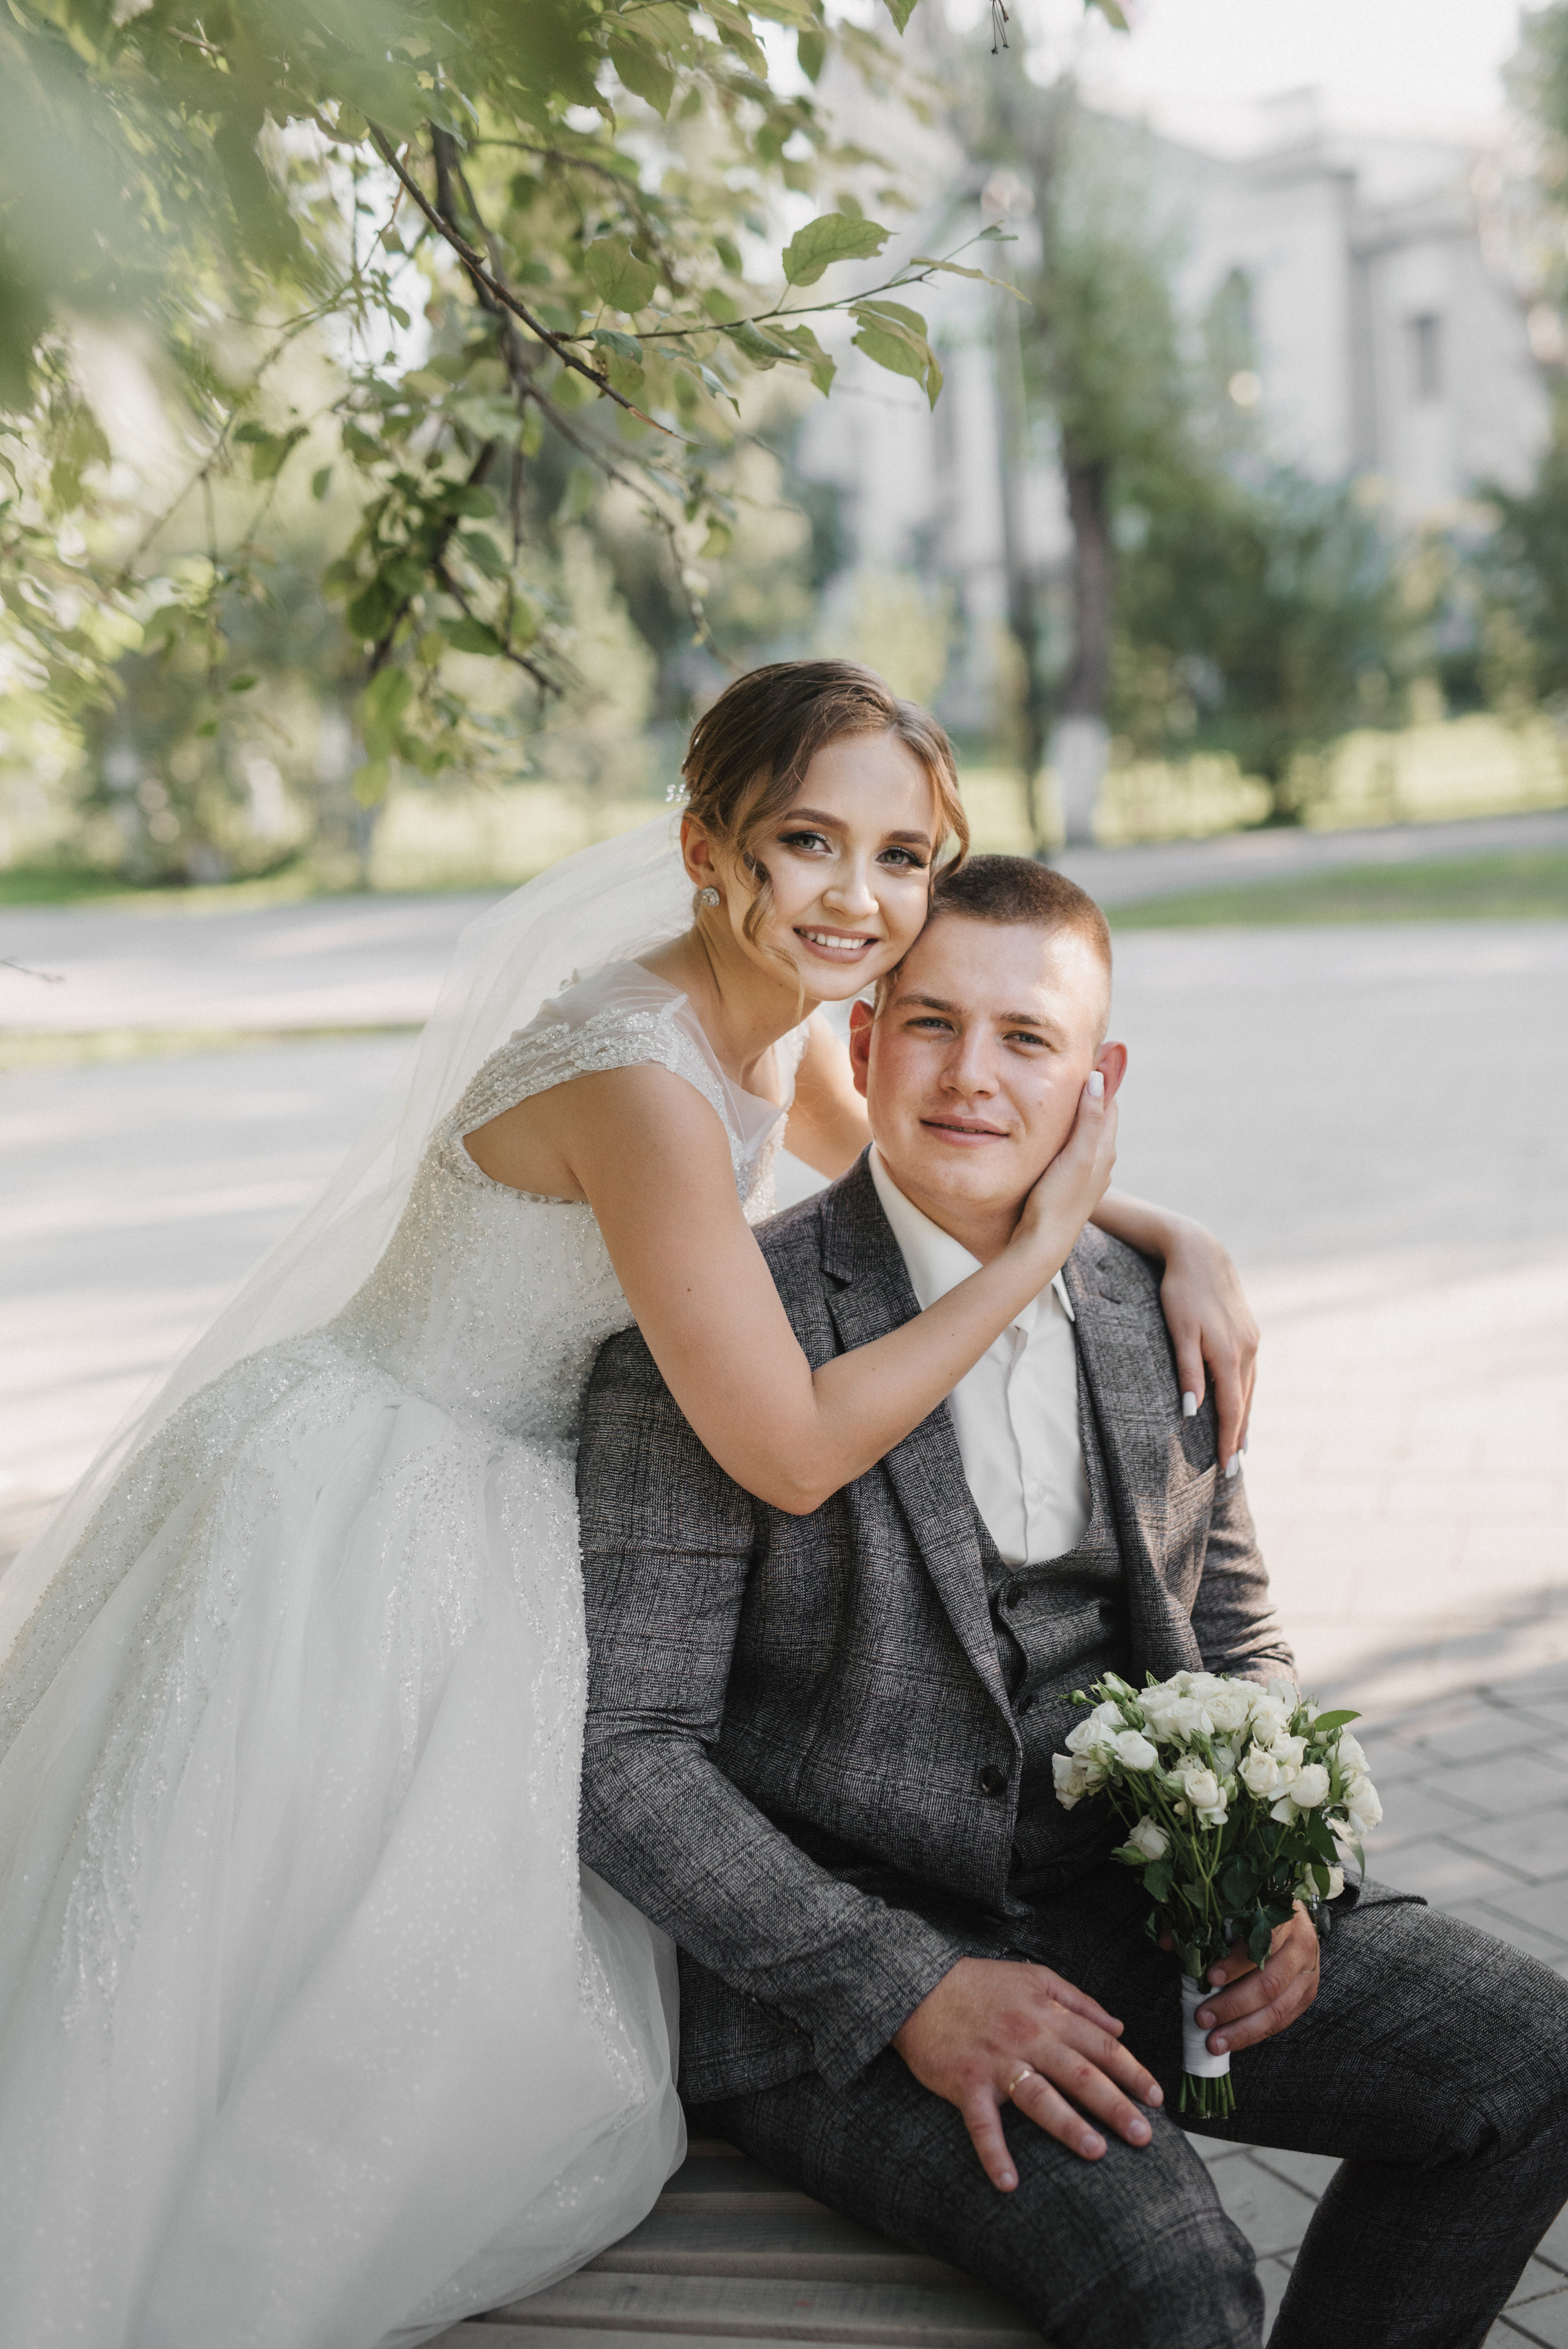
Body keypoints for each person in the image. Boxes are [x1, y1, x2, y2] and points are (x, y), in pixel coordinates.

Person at [0, 663, 1254, 2349]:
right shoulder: (642, 1078)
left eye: (903, 855)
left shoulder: (773, 1017)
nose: (862, 898)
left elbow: (905, 1147)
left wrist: (1161, 1231)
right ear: (704, 845)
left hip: (532, 1485)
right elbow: (793, 1449)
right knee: (246, 1961)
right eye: (810, 841)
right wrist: (1038, 1257)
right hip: (385, 1498)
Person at [576, 850, 1568, 2349]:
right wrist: (906, 1986)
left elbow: (1233, 1633)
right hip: (838, 1980)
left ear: (1095, 1082)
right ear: (860, 1044)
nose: (971, 1076)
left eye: (1025, 1039)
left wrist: (1280, 1877)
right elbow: (627, 1752)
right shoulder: (721, 1335)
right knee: (1176, 2283)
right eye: (928, 1026)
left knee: (1528, 2065)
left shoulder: (1149, 1302)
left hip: (1137, 1912)